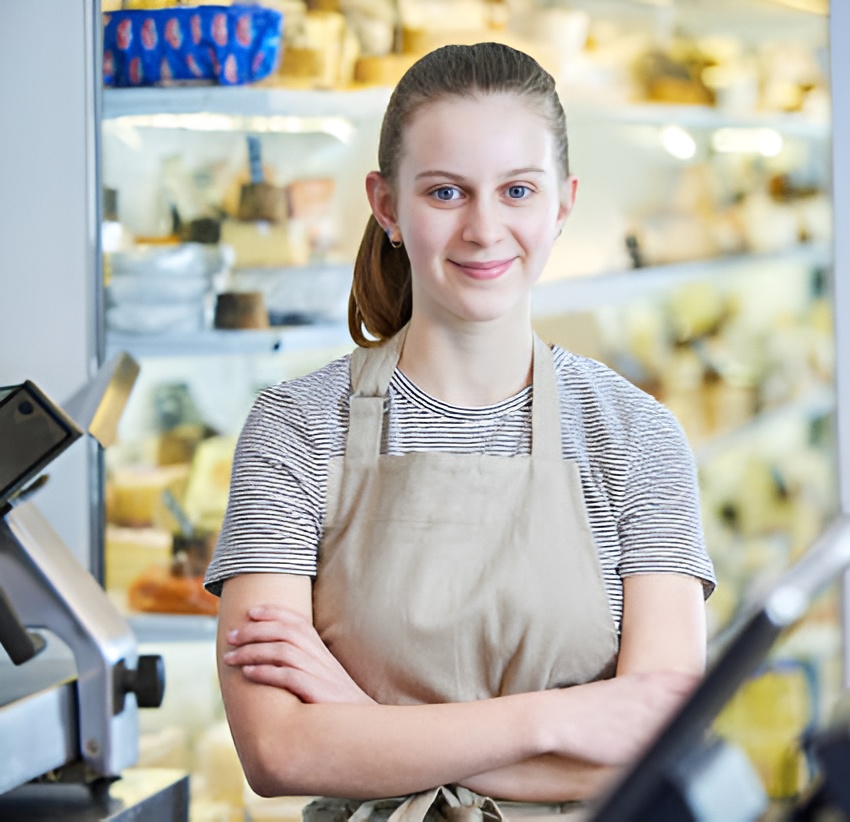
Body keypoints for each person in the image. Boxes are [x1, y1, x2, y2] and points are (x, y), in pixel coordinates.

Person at [205, 41, 716, 820]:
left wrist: (365, 730)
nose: (484, 229)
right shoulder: (295, 431)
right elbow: (277, 752)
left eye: (517, 191)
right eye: (446, 193)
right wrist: (560, 718)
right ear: (386, 206)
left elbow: (661, 751)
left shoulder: (635, 436)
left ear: (563, 203)